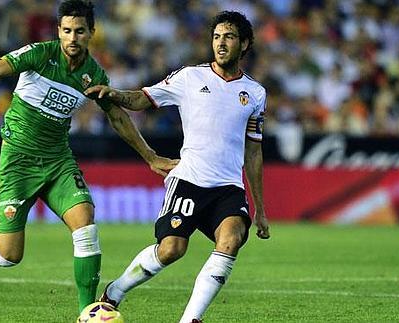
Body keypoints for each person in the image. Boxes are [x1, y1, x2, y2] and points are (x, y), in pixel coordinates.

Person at [0, 0, 177, 314]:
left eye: (79, 31)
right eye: (66, 31)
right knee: (6, 257)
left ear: (92, 32)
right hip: (18, 162)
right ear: (58, 31)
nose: (72, 38)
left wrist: (150, 156)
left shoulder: (92, 74)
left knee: (85, 221)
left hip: (57, 161)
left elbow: (117, 117)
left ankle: (87, 312)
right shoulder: (40, 53)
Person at [85, 10, 270, 323]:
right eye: (216, 37)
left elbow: (254, 152)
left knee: (232, 238)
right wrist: (114, 94)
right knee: (172, 249)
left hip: (227, 188)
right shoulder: (189, 77)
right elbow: (143, 99)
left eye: (229, 37)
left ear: (245, 44)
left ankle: (190, 320)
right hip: (189, 180)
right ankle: (116, 291)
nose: (221, 43)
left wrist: (260, 208)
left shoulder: (255, 93)